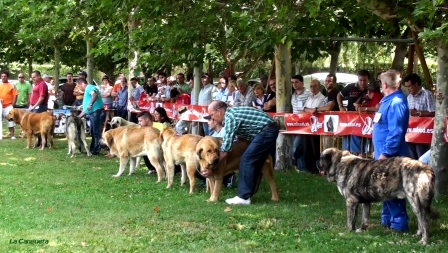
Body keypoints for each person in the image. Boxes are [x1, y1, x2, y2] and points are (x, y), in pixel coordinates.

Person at [203, 101, 279, 205]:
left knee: (246, 159)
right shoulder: (230, 115)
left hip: (268, 129)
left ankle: (243, 197)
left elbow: (225, 149)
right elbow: (241, 137)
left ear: (219, 112)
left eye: (212, 115)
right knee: (255, 162)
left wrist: (213, 168)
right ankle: (264, 194)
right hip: (266, 129)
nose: (212, 119)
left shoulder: (230, 118)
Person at [373, 69, 410, 233]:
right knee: (383, 187)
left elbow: (396, 132)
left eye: (380, 83)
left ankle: (399, 223)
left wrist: (385, 154)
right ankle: (386, 218)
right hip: (383, 153)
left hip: (390, 156)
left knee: (393, 188)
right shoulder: (387, 100)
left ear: (385, 84)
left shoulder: (396, 102)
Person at [404, 73, 436, 159]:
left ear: (416, 84)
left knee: (421, 157)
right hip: (411, 132)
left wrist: (419, 113)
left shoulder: (427, 94)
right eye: (406, 87)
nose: (408, 89)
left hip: (423, 131)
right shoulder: (409, 97)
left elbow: (434, 112)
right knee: (411, 158)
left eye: (409, 86)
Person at [337, 69, 369, 155]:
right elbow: (339, 95)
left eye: (364, 80)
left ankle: (356, 159)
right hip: (349, 118)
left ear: (368, 80)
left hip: (362, 120)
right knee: (346, 140)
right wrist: (341, 106)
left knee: (357, 142)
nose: (362, 82)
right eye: (360, 80)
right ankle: (345, 158)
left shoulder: (370, 90)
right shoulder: (350, 87)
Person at [76, 78, 105, 155]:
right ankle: (93, 149)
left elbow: (94, 94)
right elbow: (86, 109)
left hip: (97, 113)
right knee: (93, 132)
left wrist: (90, 104)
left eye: (79, 86)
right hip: (94, 113)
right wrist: (78, 117)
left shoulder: (89, 87)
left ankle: (96, 150)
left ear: (82, 83)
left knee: (96, 132)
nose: (79, 88)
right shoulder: (87, 90)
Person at [290, 75, 311, 172]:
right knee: (299, 148)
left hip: (304, 125)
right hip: (293, 125)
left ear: (302, 83)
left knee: (296, 147)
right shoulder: (292, 95)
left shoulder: (308, 94)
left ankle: (292, 159)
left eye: (296, 82)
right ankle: (301, 169)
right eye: (293, 82)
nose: (294, 84)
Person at [29, 71, 49, 146]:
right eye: (32, 77)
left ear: (39, 76)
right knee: (36, 125)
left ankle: (43, 143)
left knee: (41, 125)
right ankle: (38, 142)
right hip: (35, 107)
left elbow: (42, 97)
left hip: (40, 107)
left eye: (34, 77)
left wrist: (34, 106)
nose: (32, 78)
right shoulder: (36, 84)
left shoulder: (42, 84)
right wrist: (31, 105)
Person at [0, 71, 18, 139]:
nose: (3, 77)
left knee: (10, 120)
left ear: (7, 77)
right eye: (2, 76)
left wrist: (12, 105)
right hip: (0, 105)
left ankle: (12, 135)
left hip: (8, 106)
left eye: (5, 76)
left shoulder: (12, 85)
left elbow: (15, 96)